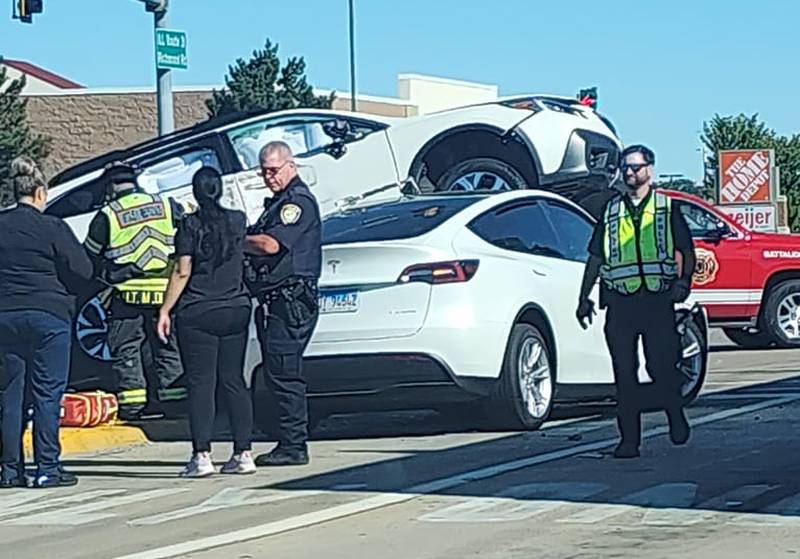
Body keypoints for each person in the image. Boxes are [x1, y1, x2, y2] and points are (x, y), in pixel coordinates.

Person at [576, 144, 697, 459]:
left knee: (661, 367)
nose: (630, 173)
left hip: (656, 301)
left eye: (636, 167)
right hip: (620, 303)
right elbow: (595, 255)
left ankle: (674, 412)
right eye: (626, 168)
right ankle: (629, 440)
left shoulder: (666, 208)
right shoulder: (610, 210)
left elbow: (686, 249)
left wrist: (683, 283)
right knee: (624, 374)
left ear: (649, 169)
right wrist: (584, 296)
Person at [0, 156, 93, 488]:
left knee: (10, 394)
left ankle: (9, 470)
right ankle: (47, 468)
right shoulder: (52, 227)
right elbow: (83, 270)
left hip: (5, 318)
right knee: (46, 394)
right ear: (40, 192)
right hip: (49, 317)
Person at [156, 167, 255, 477]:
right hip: (236, 307)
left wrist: (165, 310)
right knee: (234, 380)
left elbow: (182, 271)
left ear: (196, 193)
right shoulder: (238, 221)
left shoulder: (189, 226)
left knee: (201, 384)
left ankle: (202, 456)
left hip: (199, 311)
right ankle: (244, 452)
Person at [83, 162, 186, 421]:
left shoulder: (108, 215)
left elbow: (89, 258)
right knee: (167, 349)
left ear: (110, 187)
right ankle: (175, 404)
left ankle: (132, 407)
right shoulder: (166, 205)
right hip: (166, 295)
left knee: (126, 349)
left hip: (128, 297)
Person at [245, 141, 321, 467]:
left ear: (291, 166)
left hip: (290, 300)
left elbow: (271, 245)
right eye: (263, 171)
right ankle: (288, 440)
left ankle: (293, 445)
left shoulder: (296, 203)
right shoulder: (277, 203)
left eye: (274, 170)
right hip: (277, 300)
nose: (268, 177)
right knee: (277, 372)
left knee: (285, 373)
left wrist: (234, 238)